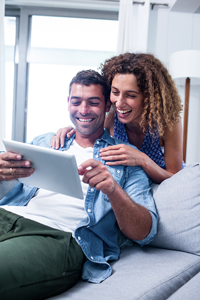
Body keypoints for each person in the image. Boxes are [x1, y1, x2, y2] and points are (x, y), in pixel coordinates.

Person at [0, 70, 158, 300]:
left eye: (93, 103)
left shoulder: (125, 157)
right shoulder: (46, 141)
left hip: (58, 236)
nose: (83, 110)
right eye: (76, 102)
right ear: (68, 103)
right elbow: (10, 188)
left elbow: (146, 232)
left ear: (107, 106)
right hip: (8, 216)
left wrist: (113, 190)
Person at [51, 53, 184, 184]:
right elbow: (88, 127)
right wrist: (69, 131)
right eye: (115, 92)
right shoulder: (111, 120)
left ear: (149, 97)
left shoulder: (167, 123)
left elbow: (175, 178)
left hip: (162, 183)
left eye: (130, 95)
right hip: (134, 183)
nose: (119, 103)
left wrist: (142, 160)